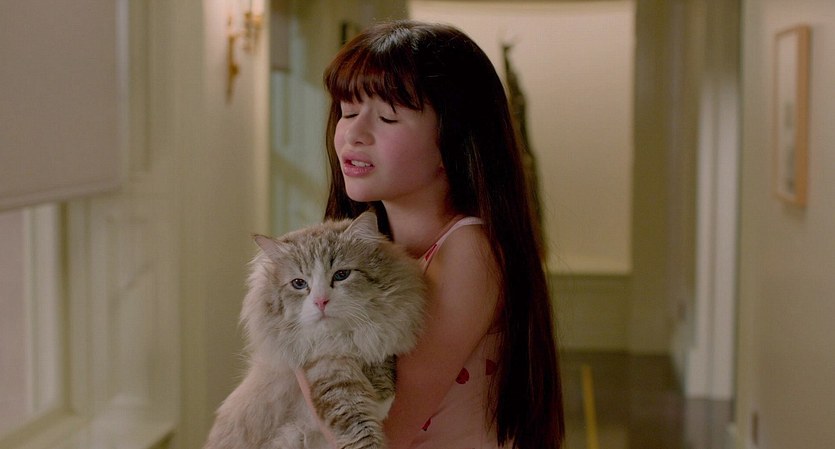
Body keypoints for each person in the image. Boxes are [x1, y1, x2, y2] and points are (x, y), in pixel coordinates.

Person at [321, 20, 564, 449]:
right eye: (348, 111)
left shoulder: (468, 250)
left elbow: (380, 435)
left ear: (452, 140)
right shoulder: (374, 252)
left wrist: (296, 338)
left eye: (388, 116)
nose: (354, 134)